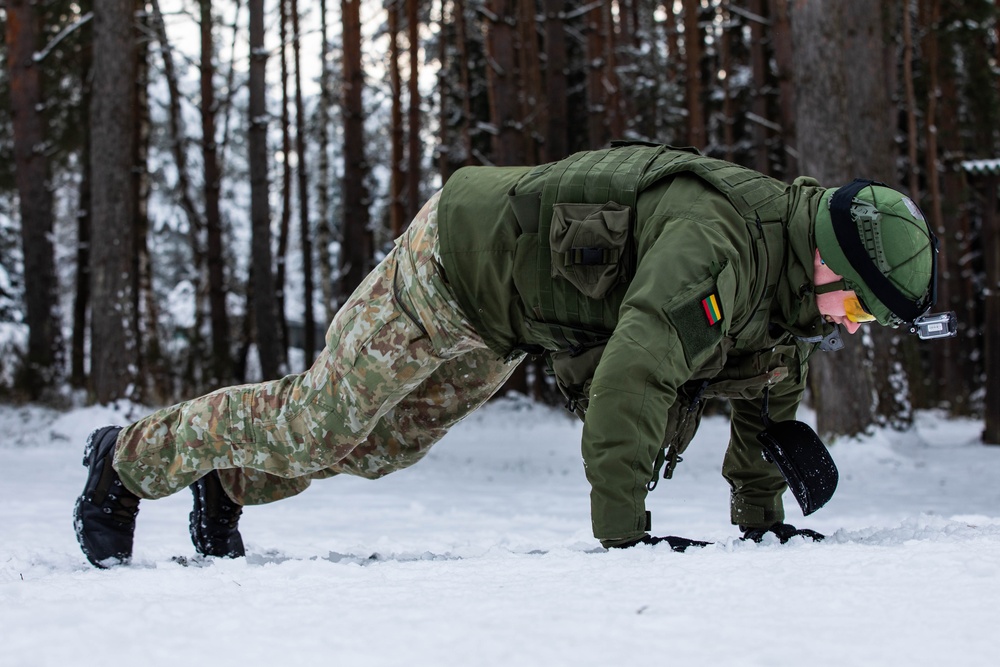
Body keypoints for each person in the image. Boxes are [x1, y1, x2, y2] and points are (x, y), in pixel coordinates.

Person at [74, 143, 938, 567]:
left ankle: (224, 482)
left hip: (506, 324)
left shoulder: (787, 288)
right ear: (833, 258)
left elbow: (767, 390)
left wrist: (762, 517)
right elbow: (637, 372)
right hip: (455, 257)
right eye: (861, 303)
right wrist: (624, 540)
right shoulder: (720, 246)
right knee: (319, 418)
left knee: (382, 447)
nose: (856, 325)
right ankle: (127, 457)